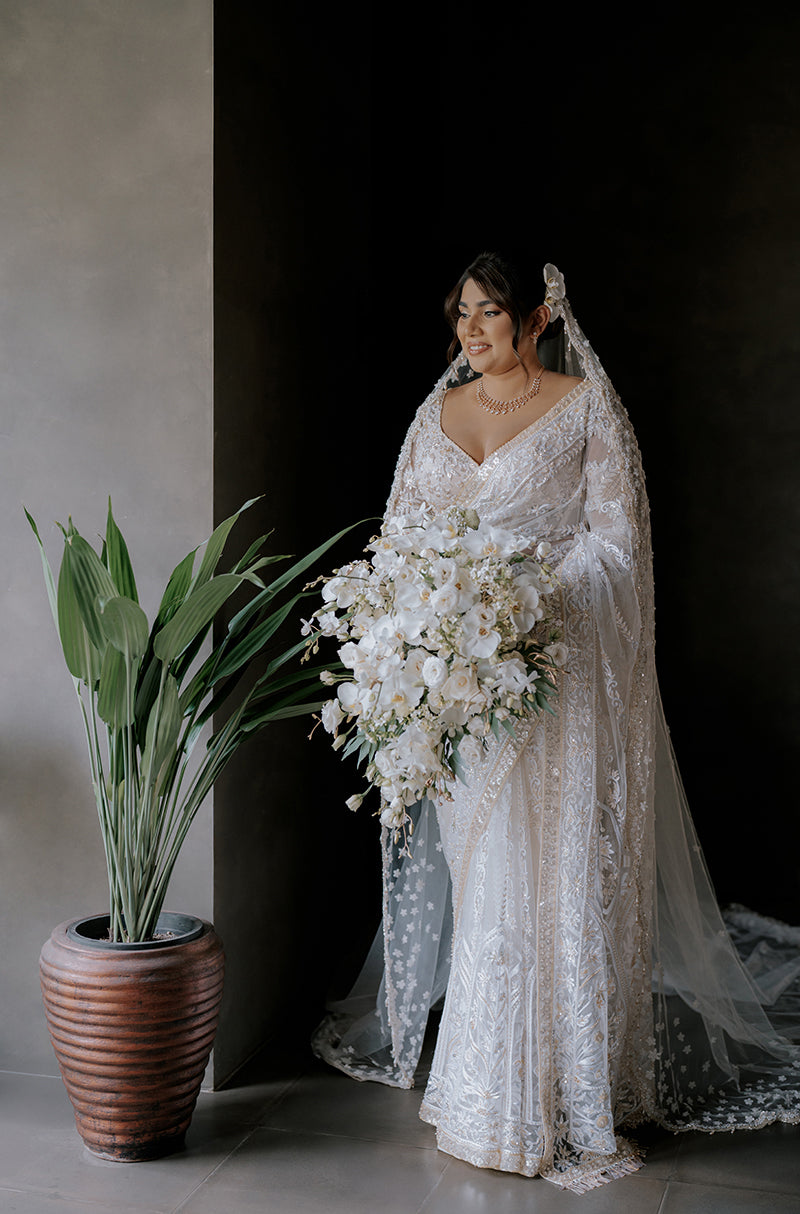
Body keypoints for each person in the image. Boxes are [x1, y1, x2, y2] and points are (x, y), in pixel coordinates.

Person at [313, 253, 800, 1193]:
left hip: (560, 680)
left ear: (535, 318)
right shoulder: (436, 415)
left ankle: (570, 1093)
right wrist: (432, 631)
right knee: (488, 876)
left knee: (557, 877)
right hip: (467, 691)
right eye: (460, 316)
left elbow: (619, 545)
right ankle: (484, 1090)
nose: (472, 331)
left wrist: (527, 599)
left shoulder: (581, 408)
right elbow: (405, 537)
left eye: (489, 313)